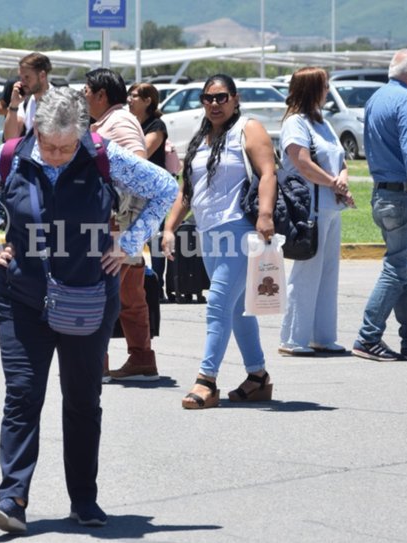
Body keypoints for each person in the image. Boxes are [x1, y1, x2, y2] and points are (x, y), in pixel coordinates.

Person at [0, 86, 176, 533]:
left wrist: (127, 244)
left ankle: (84, 501)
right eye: (48, 145)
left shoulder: (105, 156)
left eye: (65, 148)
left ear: (82, 137)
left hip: (88, 298)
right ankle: (11, 499)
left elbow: (164, 188)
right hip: (21, 300)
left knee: (83, 401)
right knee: (23, 396)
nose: (54, 155)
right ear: (35, 132)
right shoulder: (11, 156)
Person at [160, 74, 277, 409]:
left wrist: (265, 214)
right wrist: (170, 228)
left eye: (221, 97)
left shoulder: (248, 128)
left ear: (235, 99)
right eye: (208, 98)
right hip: (209, 232)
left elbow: (268, 172)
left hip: (239, 230)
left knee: (218, 305)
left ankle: (206, 380)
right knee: (238, 309)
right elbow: (187, 191)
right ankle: (258, 378)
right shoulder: (201, 137)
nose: (214, 104)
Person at [352, 49, 407, 362]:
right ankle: (368, 337)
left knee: (405, 272)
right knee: (397, 270)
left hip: (384, 194)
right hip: (406, 197)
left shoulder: (377, 98)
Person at [83, 68, 158, 382]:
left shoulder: (119, 121)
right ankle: (141, 358)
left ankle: (95, 363)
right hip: (125, 222)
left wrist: (121, 218)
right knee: (129, 293)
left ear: (102, 95)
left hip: (118, 223)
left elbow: (138, 165)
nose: (82, 97)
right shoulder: (111, 122)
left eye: (86, 91)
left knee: (100, 292)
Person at [277, 67, 355, 357]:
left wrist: (342, 178)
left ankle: (322, 336)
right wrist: (333, 181)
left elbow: (340, 159)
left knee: (328, 272)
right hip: (309, 207)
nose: (327, 90)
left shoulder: (322, 122)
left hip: (330, 206)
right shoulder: (296, 123)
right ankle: (293, 337)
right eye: (324, 85)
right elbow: (302, 162)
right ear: (311, 88)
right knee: (307, 270)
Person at [128, 81, 170, 302]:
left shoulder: (157, 125)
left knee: (155, 239)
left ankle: (157, 286)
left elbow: (141, 153)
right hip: (133, 191)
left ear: (148, 101)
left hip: (154, 193)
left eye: (134, 96)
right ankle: (135, 282)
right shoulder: (131, 124)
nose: (129, 100)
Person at [2, 52, 51, 140]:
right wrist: (14, 105)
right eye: (21, 78)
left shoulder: (60, 100)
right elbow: (10, 138)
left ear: (42, 76)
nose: (22, 82)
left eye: (27, 77)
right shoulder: (25, 102)